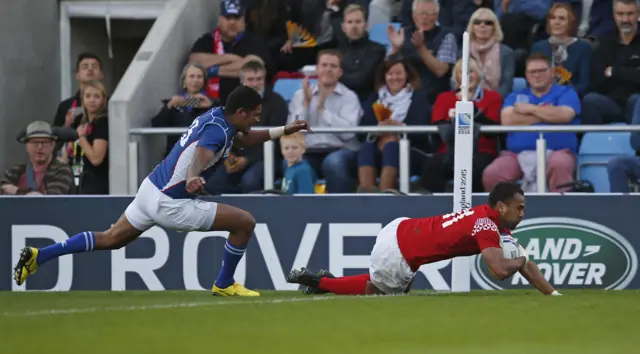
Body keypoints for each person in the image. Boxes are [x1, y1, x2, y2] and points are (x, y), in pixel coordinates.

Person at [13, 85, 310, 297]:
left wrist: (284, 130)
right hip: (172, 202)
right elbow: (202, 154)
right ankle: (224, 283)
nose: (258, 119)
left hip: (150, 189)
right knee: (245, 222)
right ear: (241, 112)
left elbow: (242, 141)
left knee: (111, 238)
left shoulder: (218, 117)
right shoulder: (218, 132)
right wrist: (194, 177)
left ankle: (40, 255)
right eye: (255, 114)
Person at [287, 182, 562, 296]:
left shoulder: (492, 223)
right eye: (520, 208)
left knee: (384, 288)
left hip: (400, 229)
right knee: (378, 293)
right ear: (501, 207)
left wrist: (553, 295)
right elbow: (501, 270)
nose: (523, 214)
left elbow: (524, 265)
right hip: (400, 251)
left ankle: (323, 281)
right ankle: (320, 282)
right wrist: (522, 258)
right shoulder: (485, 225)